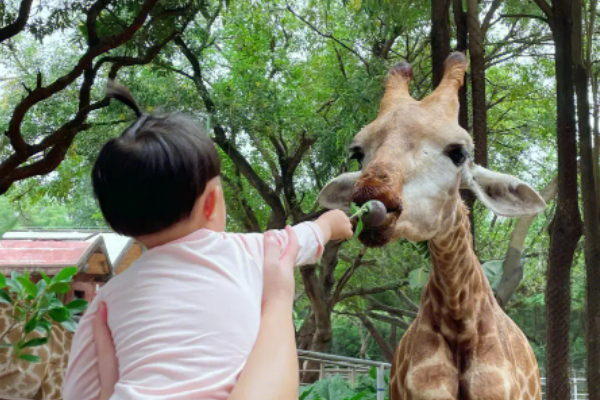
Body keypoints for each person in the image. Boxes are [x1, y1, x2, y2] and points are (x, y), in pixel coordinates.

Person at [62, 81, 353, 400]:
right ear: (213, 202)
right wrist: (330, 223)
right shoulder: (251, 251)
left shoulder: (106, 301)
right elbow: (301, 239)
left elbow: (78, 391)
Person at [91, 228, 302, 400]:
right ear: (210, 202)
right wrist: (278, 300)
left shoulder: (115, 291)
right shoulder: (241, 252)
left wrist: (111, 389)